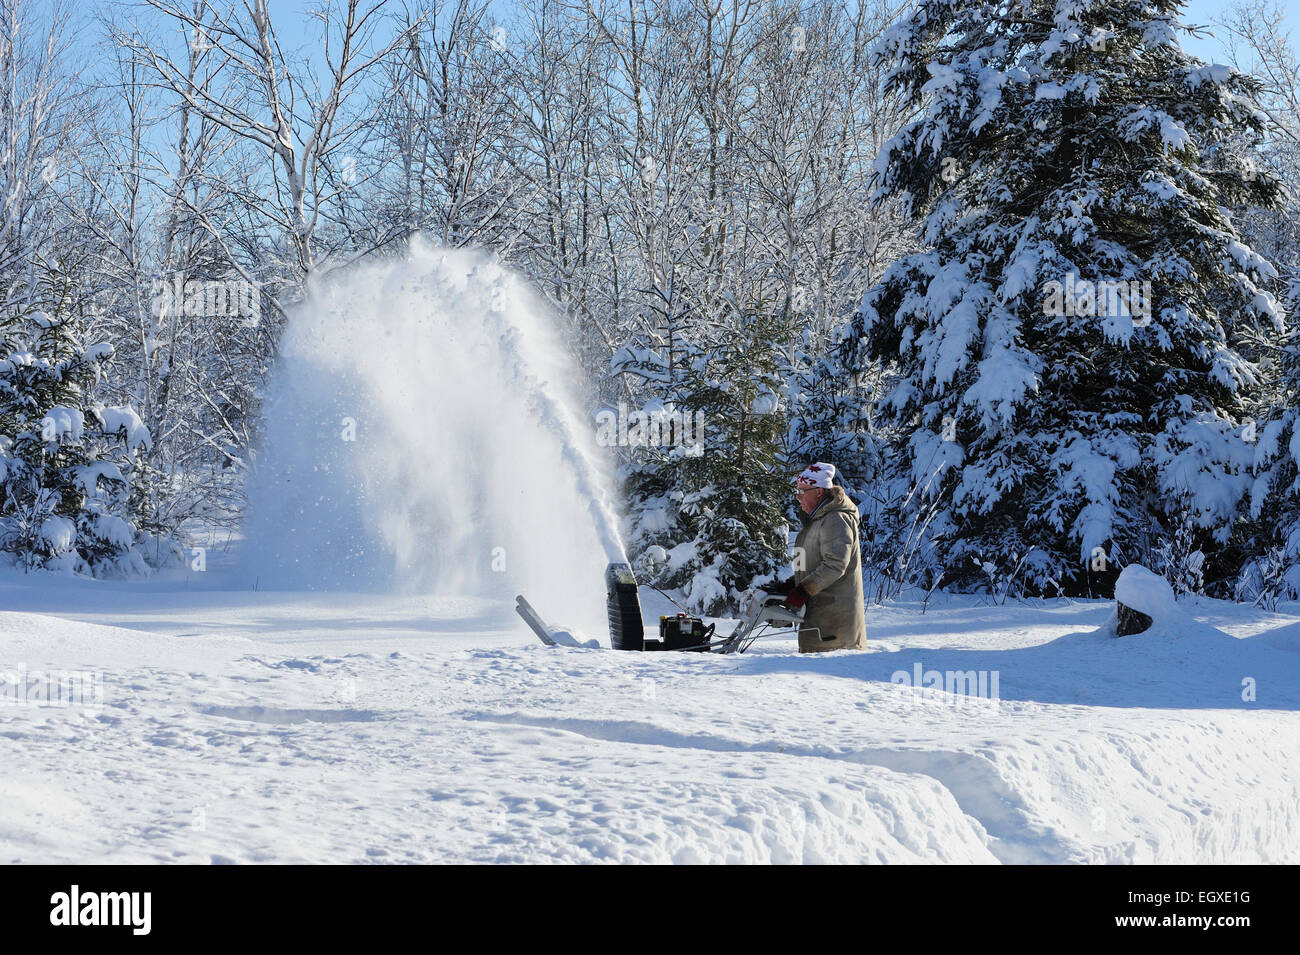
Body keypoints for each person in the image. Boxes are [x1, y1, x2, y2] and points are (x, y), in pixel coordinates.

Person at [772, 462, 866, 652]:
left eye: (802, 490)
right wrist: (792, 584)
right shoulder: (812, 524)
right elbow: (805, 564)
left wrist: (803, 590)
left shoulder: (836, 519)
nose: (798, 496)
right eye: (797, 490)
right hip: (819, 620)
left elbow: (835, 564)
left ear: (819, 492)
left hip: (835, 626)